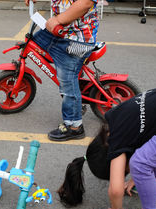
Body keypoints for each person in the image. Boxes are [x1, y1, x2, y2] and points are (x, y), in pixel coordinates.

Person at [25, 0, 99, 141]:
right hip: (59, 31)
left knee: (67, 80)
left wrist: (58, 19)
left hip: (77, 39)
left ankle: (74, 127)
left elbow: (85, 2)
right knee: (34, 42)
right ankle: (75, 81)